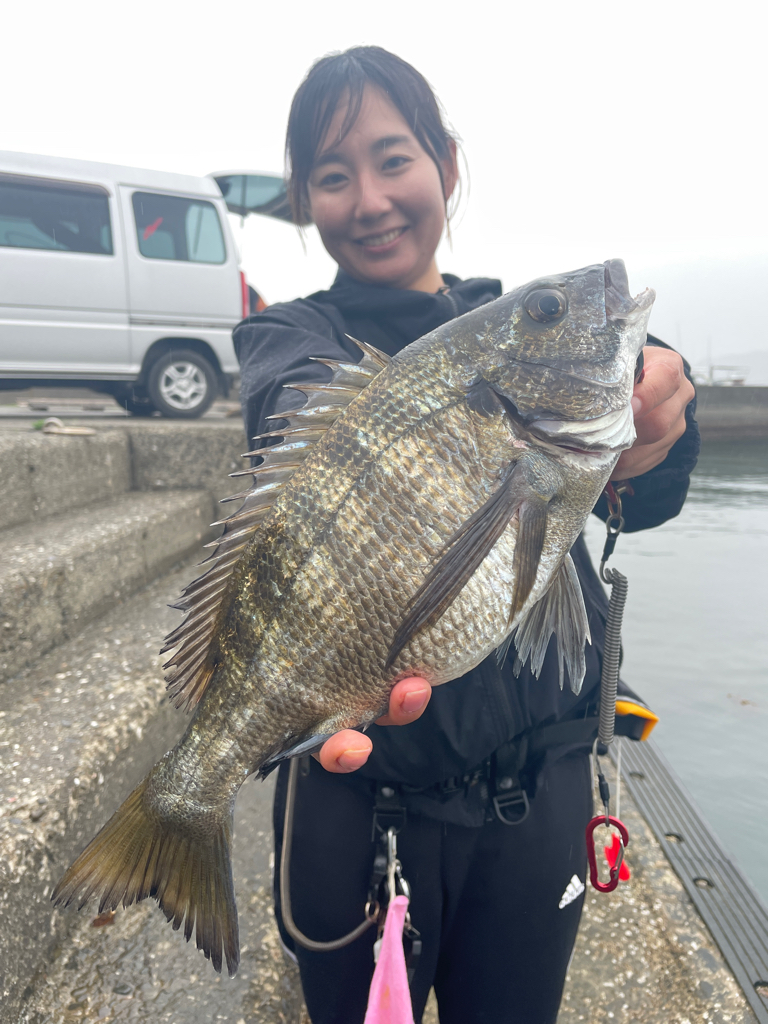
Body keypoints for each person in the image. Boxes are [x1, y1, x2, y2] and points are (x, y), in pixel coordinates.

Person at [233, 46, 699, 1024]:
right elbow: (295, 409)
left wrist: (651, 424)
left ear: (446, 162)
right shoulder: (288, 336)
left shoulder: (506, 330)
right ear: (303, 199)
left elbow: (642, 495)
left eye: (393, 158)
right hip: (360, 806)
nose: (370, 199)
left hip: (540, 802)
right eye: (332, 175)